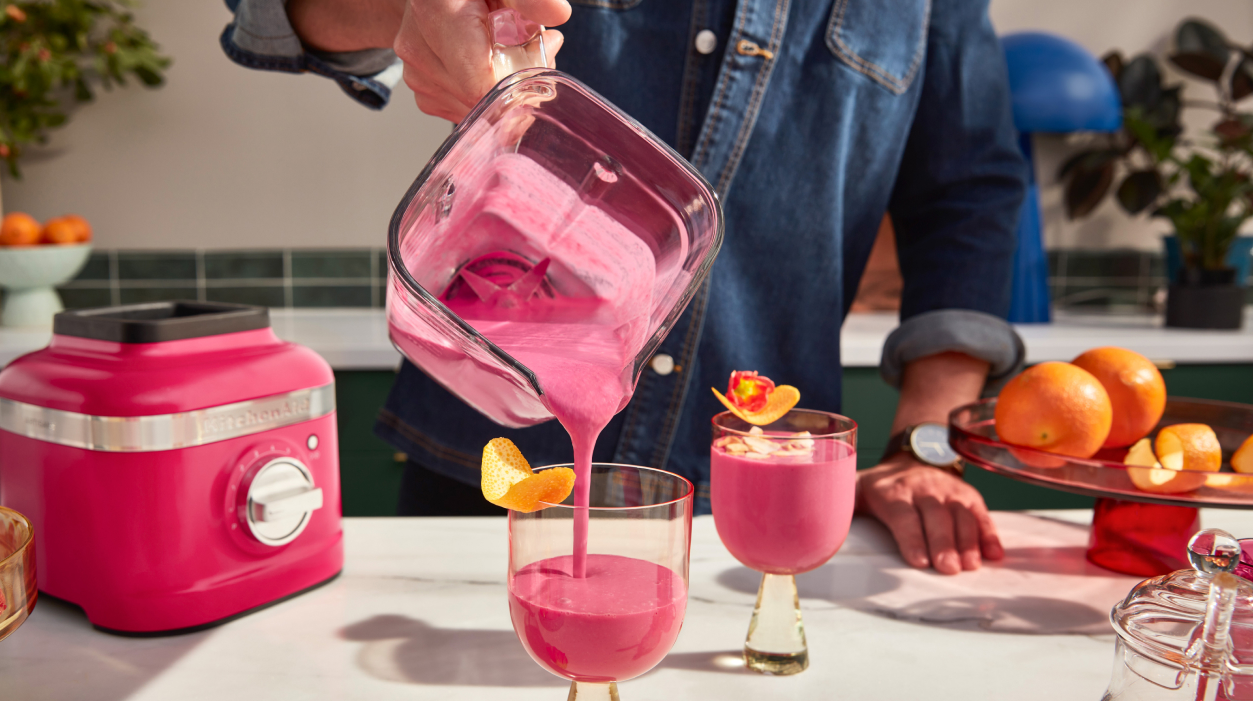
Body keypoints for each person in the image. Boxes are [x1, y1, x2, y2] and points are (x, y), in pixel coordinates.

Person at [220, 0, 1028, 575]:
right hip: (490, 472)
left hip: (752, 495)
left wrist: (921, 446)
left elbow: (966, 193)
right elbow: (279, 14)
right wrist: (407, 8)